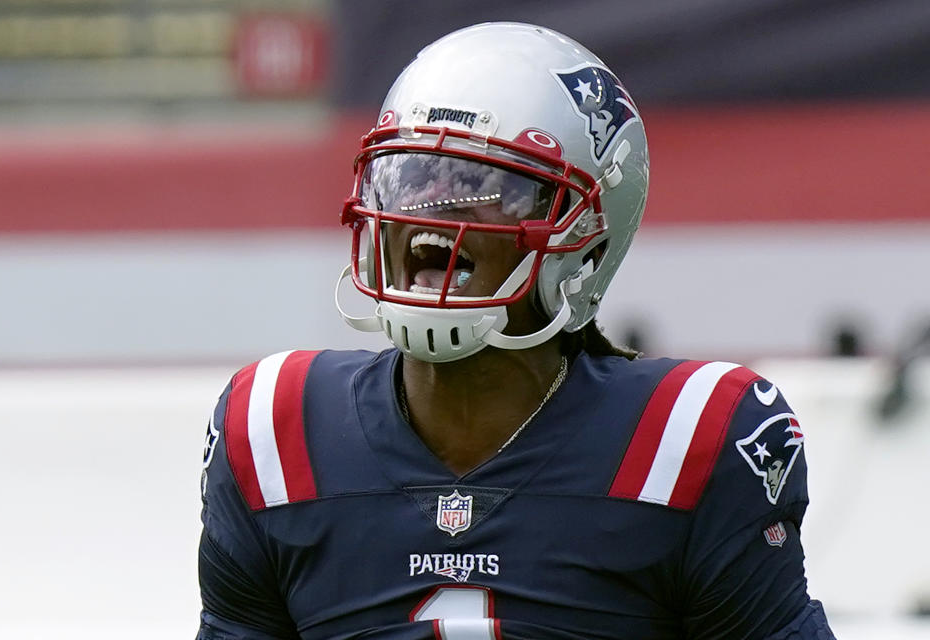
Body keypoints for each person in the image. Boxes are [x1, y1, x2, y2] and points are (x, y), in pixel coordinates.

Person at [197, 22, 835, 639]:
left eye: (481, 186)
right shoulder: (275, 429)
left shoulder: (693, 435)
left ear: (585, 243)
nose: (432, 218)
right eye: (409, 180)